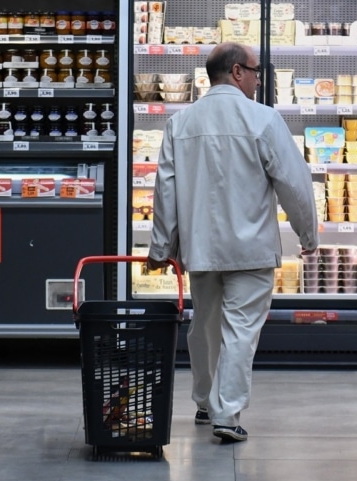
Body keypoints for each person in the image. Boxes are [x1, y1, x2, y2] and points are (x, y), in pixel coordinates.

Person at [147, 42, 317, 443]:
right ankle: (227, 413)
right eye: (257, 71)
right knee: (240, 330)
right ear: (238, 72)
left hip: (200, 247)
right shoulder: (263, 119)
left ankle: (206, 402)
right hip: (251, 248)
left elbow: (165, 191)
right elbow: (294, 183)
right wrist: (307, 233)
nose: (260, 79)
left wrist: (161, 248)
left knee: (204, 325)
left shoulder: (181, 123)